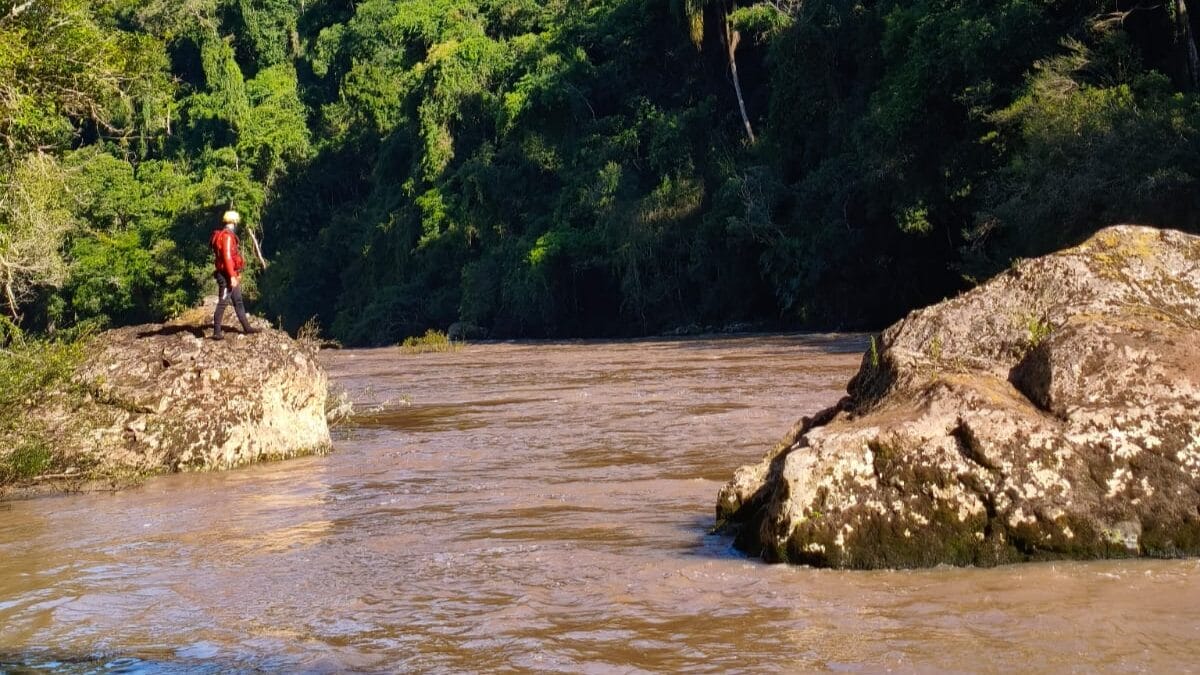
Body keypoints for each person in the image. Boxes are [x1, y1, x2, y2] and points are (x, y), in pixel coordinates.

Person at [210, 209, 258, 339]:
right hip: (225, 275)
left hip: (230, 273)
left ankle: (247, 328)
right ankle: (216, 332)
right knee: (223, 301)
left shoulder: (226, 234)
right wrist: (232, 276)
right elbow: (227, 257)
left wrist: (236, 274)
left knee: (238, 301)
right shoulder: (227, 236)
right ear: (234, 222)